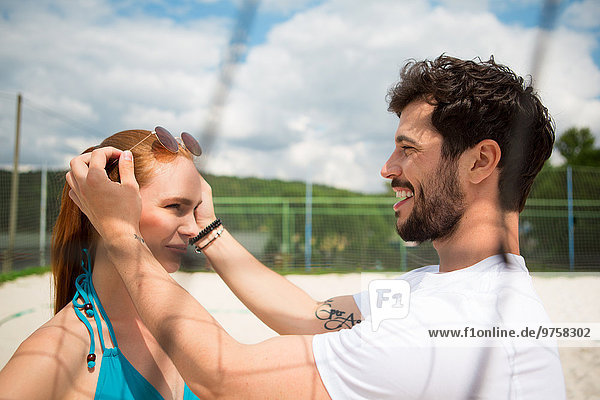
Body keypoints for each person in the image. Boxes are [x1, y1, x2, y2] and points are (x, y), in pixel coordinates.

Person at [64, 55, 566, 399]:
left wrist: (120, 234)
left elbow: (225, 378)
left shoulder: (446, 328)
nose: (388, 169)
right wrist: (209, 230)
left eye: (408, 149)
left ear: (481, 161)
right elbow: (309, 314)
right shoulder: (446, 292)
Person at [0, 129, 205, 399]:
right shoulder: (54, 353)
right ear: (106, 204)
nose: (193, 228)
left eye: (196, 209)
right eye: (175, 206)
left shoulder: (180, 325)